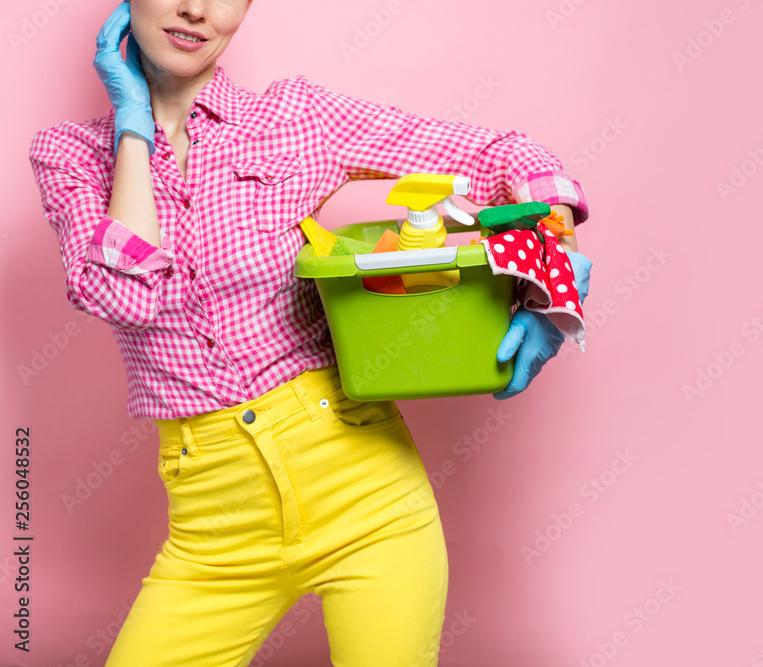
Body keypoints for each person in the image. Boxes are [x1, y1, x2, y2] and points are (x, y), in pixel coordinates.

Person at [28, 1, 592, 665]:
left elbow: (502, 155)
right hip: (213, 532)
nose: (195, 9)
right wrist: (133, 128)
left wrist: (552, 266)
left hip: (367, 496)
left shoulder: (298, 121)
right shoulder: (69, 155)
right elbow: (126, 294)